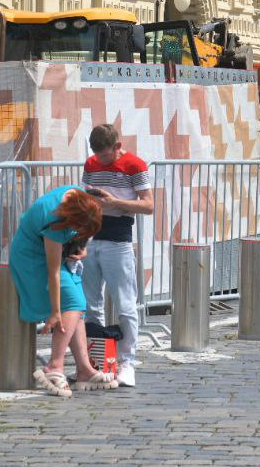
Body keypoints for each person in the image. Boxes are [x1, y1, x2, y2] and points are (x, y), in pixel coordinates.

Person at [8, 185, 116, 397]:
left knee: (78, 308)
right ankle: (54, 366)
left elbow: (77, 232)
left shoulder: (77, 199)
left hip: (50, 255)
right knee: (74, 304)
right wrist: (56, 312)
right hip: (32, 258)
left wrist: (80, 246)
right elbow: (53, 272)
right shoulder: (55, 220)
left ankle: (84, 369)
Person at [81, 124, 153, 388]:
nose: (101, 160)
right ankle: (97, 362)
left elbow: (148, 205)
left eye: (106, 156)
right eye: (97, 155)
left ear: (117, 146)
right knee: (90, 304)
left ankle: (127, 363)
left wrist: (115, 202)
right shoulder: (91, 163)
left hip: (118, 240)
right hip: (91, 238)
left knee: (125, 304)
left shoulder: (135, 164)